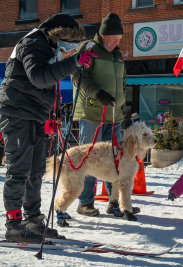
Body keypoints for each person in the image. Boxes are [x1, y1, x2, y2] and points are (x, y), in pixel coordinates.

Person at [0, 13, 96, 243]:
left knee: (36, 170)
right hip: (15, 111)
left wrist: (48, 116)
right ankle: (13, 224)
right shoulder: (33, 42)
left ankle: (32, 219)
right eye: (69, 41)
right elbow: (39, 78)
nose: (70, 47)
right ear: (58, 35)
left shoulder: (48, 47)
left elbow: (43, 84)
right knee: (19, 169)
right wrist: (74, 61)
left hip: (33, 114)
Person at [70, 13, 126, 217]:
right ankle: (85, 203)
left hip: (114, 115)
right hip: (92, 113)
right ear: (103, 35)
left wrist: (121, 106)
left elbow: (123, 83)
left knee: (115, 159)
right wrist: (97, 93)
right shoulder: (88, 48)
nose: (117, 42)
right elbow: (76, 76)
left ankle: (115, 202)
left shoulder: (117, 55)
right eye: (114, 38)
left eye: (120, 39)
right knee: (90, 159)